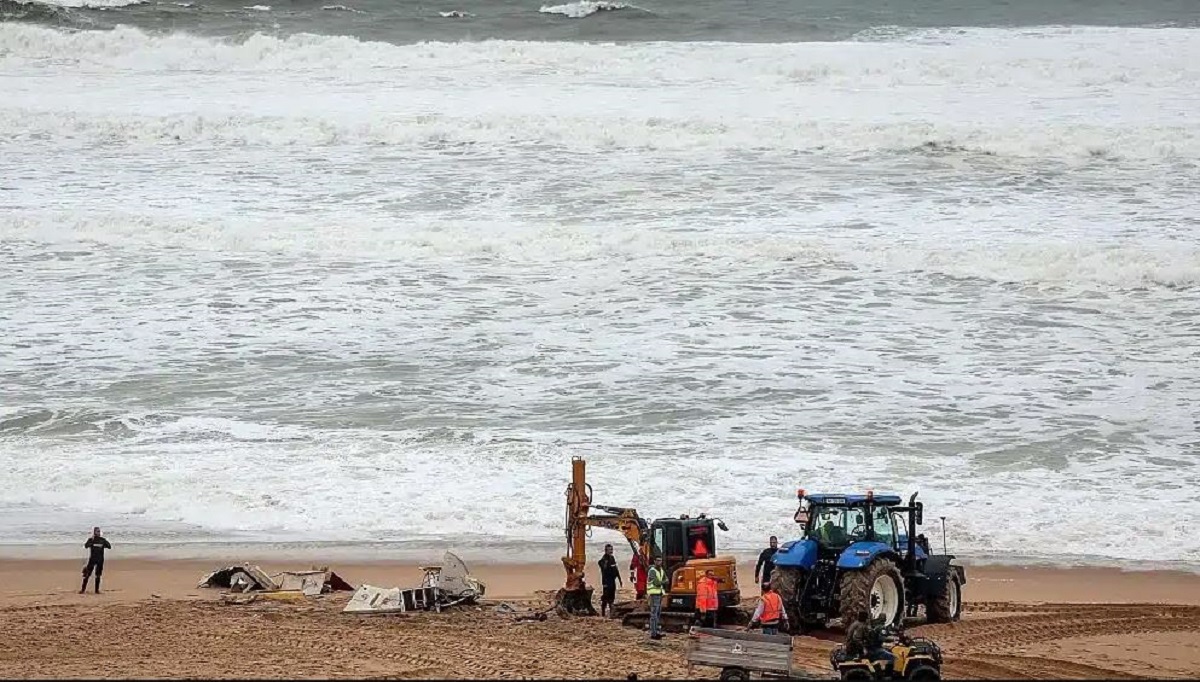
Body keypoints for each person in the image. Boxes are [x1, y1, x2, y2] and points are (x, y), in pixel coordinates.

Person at [81, 526, 111, 594]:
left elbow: (109, 546)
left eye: (99, 531)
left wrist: (105, 542)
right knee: (87, 574)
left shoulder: (102, 540)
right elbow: (86, 546)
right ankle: (83, 590)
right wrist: (91, 541)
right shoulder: (91, 539)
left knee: (98, 575)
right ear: (94, 532)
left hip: (100, 560)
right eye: (97, 531)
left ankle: (97, 590)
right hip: (92, 559)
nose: (98, 532)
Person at [598, 543, 623, 618]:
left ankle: (611, 611)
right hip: (606, 581)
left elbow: (616, 569)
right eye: (609, 550)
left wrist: (619, 579)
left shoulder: (612, 558)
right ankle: (603, 612)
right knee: (605, 597)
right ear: (606, 551)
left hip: (612, 580)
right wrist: (604, 583)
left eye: (611, 549)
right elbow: (603, 569)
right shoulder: (604, 559)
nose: (611, 551)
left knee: (612, 596)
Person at [646, 556, 666, 640]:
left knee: (658, 614)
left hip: (660, 594)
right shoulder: (652, 571)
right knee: (654, 614)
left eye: (660, 560)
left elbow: (666, 580)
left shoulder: (661, 570)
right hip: (654, 594)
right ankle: (653, 634)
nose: (659, 562)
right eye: (657, 560)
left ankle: (657, 632)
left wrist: (662, 582)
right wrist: (663, 582)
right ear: (654, 561)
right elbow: (657, 583)